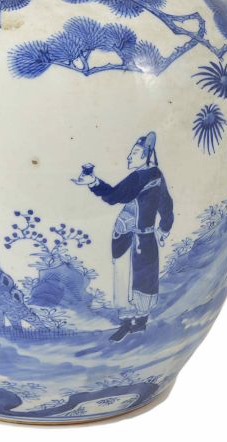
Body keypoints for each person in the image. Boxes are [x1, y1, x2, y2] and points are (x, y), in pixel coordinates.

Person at [73, 132, 174, 342]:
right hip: (131, 237)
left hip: (138, 238)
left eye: (134, 153)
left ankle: (137, 323)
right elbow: (165, 203)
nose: (129, 156)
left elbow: (115, 196)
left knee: (136, 279)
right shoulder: (154, 174)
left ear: (145, 155)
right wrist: (164, 227)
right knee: (133, 280)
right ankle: (131, 323)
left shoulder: (142, 176)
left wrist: (93, 182)